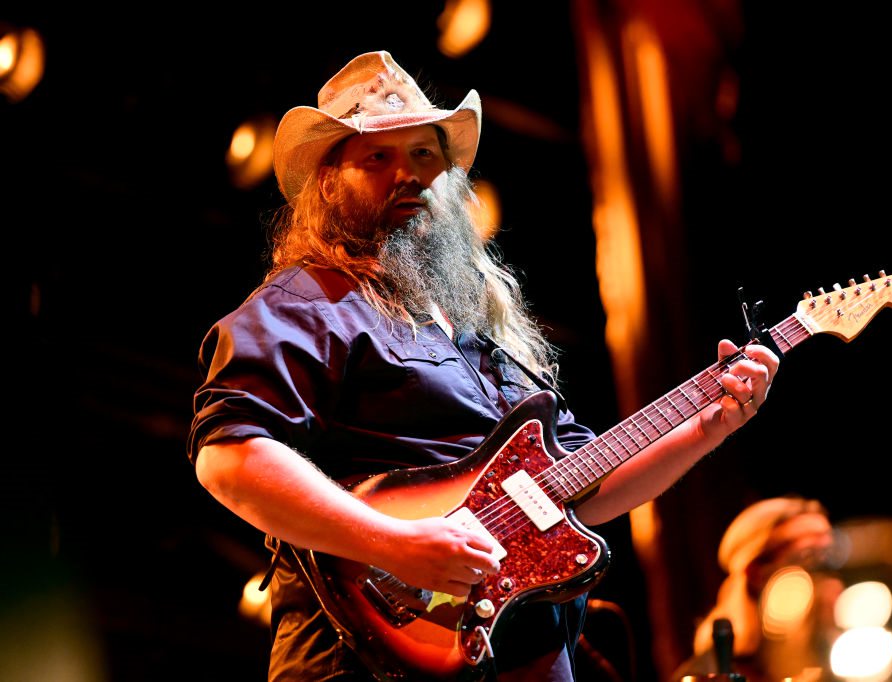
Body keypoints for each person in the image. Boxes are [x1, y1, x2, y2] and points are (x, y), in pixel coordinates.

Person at [187, 50, 779, 681]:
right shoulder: (308, 303)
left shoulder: (485, 338)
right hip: (361, 659)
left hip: (525, 656)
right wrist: (393, 545)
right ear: (329, 182)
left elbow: (589, 488)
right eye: (377, 157)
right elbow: (230, 457)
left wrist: (706, 427)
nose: (407, 176)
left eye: (423, 155)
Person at [670, 497, 841, 682]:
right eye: (808, 558)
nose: (828, 578)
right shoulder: (710, 674)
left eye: (831, 556)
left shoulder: (849, 657)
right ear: (755, 573)